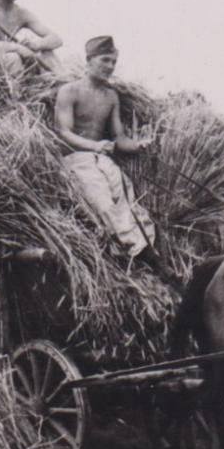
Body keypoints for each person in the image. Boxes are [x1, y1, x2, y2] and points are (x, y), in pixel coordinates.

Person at [53, 36, 170, 279]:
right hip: (77, 159)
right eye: (105, 60)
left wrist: (138, 145)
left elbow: (119, 138)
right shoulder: (69, 91)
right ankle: (143, 257)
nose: (109, 66)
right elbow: (63, 133)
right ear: (89, 61)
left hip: (103, 158)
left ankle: (149, 250)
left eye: (113, 62)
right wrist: (95, 145)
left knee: (126, 199)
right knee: (104, 203)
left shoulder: (110, 96)